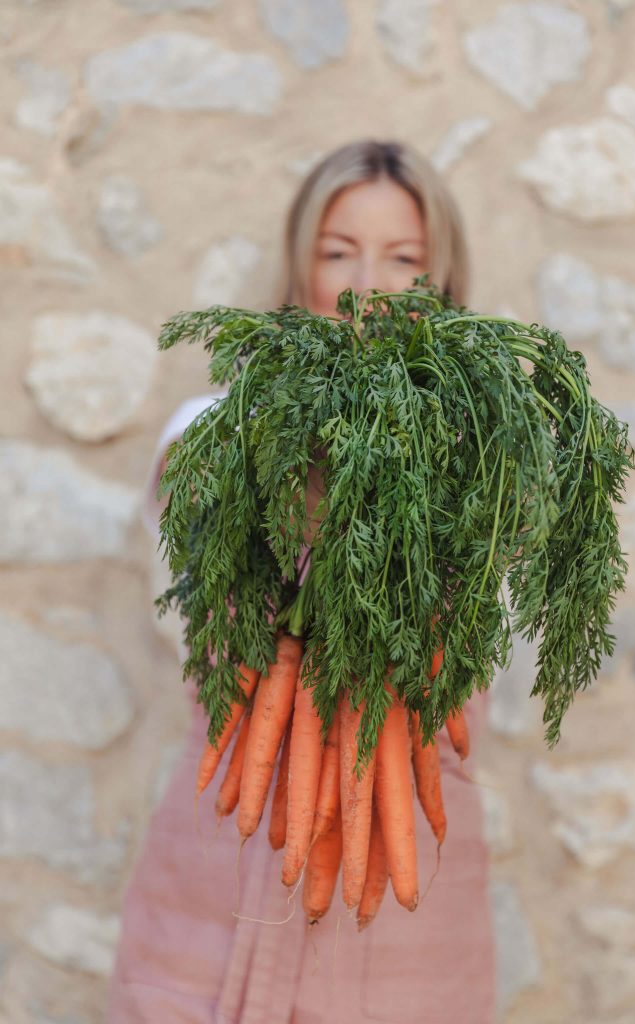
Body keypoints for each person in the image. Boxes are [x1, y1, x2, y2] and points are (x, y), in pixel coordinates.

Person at [106, 138, 496, 1024]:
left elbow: (481, 651)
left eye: (404, 258)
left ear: (443, 279)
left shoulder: (487, 456)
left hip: (405, 874)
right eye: (337, 252)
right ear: (298, 266)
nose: (370, 286)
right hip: (231, 838)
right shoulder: (211, 428)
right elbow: (197, 628)